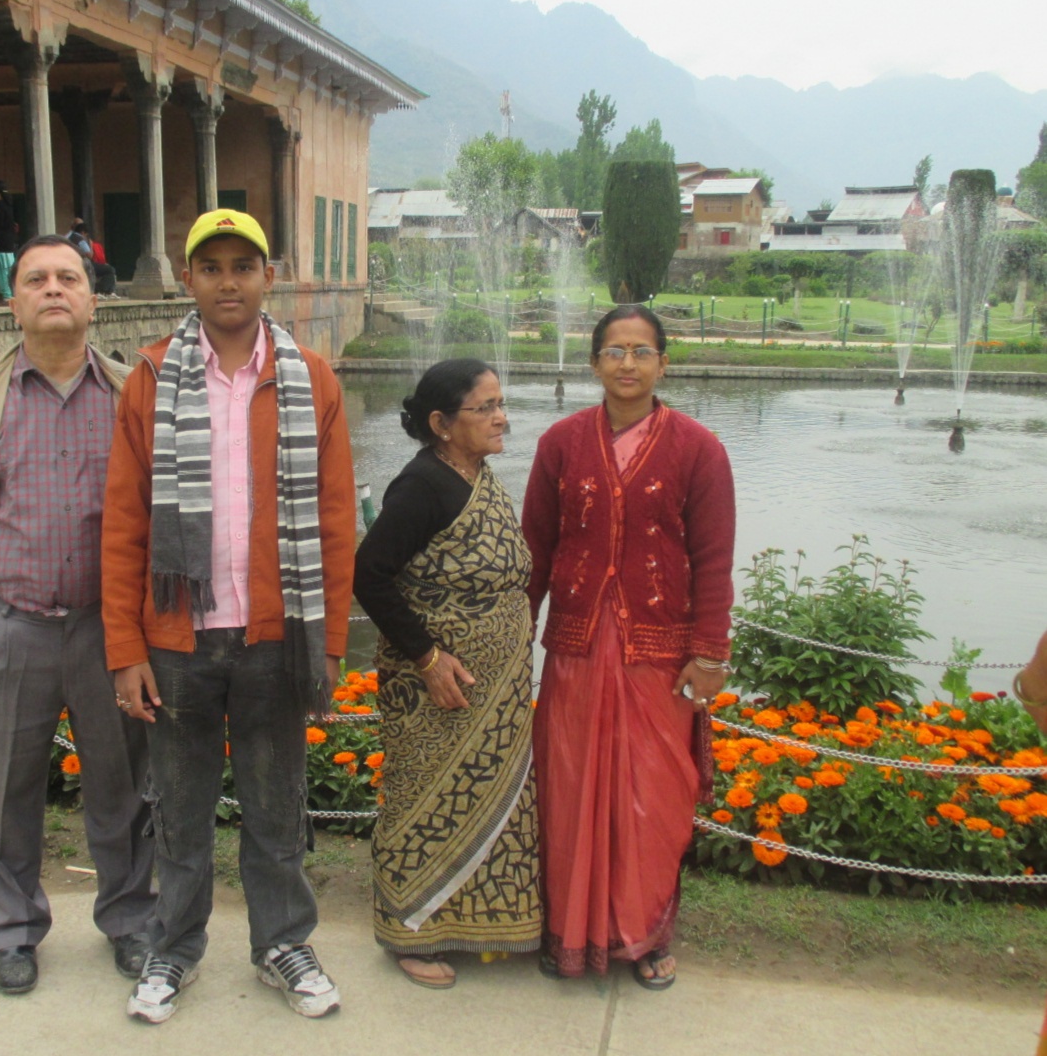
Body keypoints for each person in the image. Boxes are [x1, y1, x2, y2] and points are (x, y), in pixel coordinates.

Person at [104, 208, 356, 1025]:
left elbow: (335, 519)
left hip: (275, 635)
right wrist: (125, 650)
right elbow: (124, 525)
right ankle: (171, 951)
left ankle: (283, 942)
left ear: (267, 276)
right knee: (178, 811)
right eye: (209, 266)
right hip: (178, 638)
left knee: (276, 806)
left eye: (242, 266)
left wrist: (329, 643)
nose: (227, 282)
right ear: (188, 280)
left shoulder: (309, 378)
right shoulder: (151, 376)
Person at [0, 235, 155, 997]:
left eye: (69, 278)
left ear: (92, 299)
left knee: (123, 790)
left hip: (106, 631)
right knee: (4, 793)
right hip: (6, 627)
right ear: (12, 301)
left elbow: (161, 514)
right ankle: (13, 930)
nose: (54, 290)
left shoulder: (130, 396)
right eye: (36, 279)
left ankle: (131, 922)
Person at [523, 304, 735, 990]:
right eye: (613, 351)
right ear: (593, 364)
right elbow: (536, 547)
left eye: (642, 352)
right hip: (578, 648)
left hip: (658, 652)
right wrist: (514, 630)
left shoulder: (698, 449)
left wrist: (709, 653)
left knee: (652, 796)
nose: (627, 364)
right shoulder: (560, 442)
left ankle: (642, 935)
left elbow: (713, 559)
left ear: (664, 364)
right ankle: (570, 932)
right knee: (571, 788)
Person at [352, 359, 543, 989]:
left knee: (492, 803)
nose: (500, 417)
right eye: (484, 407)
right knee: (423, 806)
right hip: (437, 689)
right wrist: (427, 657)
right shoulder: (422, 486)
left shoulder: (475, 473)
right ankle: (412, 927)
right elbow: (370, 575)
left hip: (496, 687)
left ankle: (483, 922)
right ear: (440, 423)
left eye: (500, 403)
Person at [67, 221, 117, 296]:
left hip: (71, 263)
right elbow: (89, 255)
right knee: (109, 270)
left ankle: (106, 291)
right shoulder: (80, 239)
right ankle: (103, 291)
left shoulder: (68, 238)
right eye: (86, 234)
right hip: (83, 264)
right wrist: (90, 245)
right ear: (83, 232)